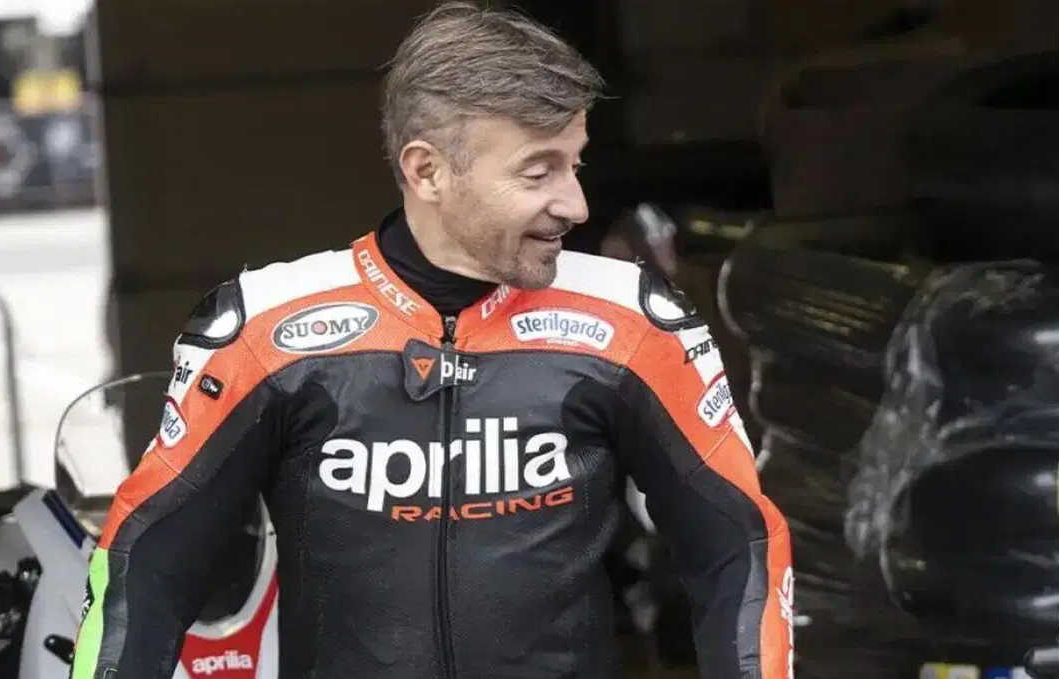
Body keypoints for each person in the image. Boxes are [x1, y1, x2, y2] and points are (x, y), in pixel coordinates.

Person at [70, 3, 792, 678]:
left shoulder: (631, 319)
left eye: (574, 163)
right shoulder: (266, 327)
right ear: (427, 171)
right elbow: (148, 559)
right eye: (537, 171)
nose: (575, 203)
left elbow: (740, 543)